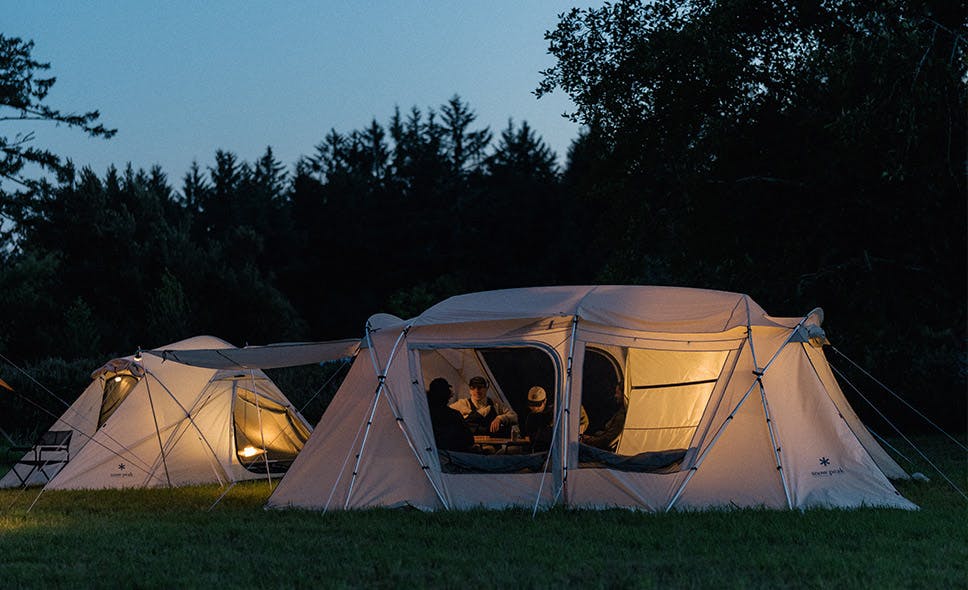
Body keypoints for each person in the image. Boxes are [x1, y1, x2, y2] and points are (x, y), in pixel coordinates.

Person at [449, 376, 517, 436]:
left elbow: (514, 417)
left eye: (480, 387)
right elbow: (446, 412)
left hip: (493, 443)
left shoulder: (495, 403)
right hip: (473, 444)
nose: (477, 390)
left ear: (486, 388)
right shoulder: (463, 404)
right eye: (473, 388)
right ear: (470, 390)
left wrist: (500, 418)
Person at [426, 377, 473, 452]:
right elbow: (469, 440)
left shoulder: (423, 415)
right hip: (454, 455)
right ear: (448, 395)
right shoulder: (454, 415)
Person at [580, 379, 626, 452]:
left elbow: (607, 439)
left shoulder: (621, 416)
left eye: (617, 393)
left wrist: (588, 440)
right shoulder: (620, 412)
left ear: (623, 394)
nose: (615, 396)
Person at [522, 386, 553, 452]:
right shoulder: (530, 417)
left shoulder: (552, 414)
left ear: (545, 401)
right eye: (532, 405)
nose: (535, 408)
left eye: (537, 405)